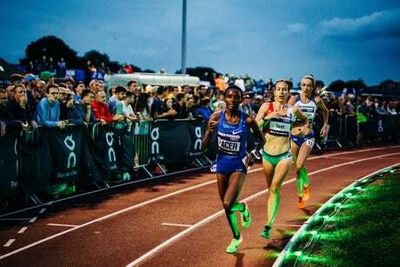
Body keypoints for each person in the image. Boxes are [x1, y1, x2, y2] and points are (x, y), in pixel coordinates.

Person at [202, 85, 265, 254]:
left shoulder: (248, 120)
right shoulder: (216, 117)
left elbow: (262, 141)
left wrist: (254, 154)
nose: (232, 100)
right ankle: (237, 237)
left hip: (239, 164)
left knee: (227, 202)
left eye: (236, 97)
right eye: (229, 96)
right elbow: (203, 147)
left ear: (241, 99)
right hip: (222, 163)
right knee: (227, 207)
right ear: (224, 98)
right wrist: (209, 132)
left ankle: (242, 209)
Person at [255, 79, 308, 239]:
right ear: (274, 91)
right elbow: (256, 125)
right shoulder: (266, 107)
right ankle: (271, 218)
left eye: (284, 89)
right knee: (270, 189)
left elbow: (305, 119)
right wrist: (269, 117)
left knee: (274, 188)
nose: (281, 92)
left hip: (285, 155)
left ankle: (268, 225)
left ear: (288, 92)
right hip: (267, 155)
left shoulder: (293, 110)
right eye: (278, 89)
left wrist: (303, 129)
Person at [288, 75, 329, 209]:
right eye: (304, 85)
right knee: (297, 168)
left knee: (300, 165)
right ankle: (302, 192)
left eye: (309, 85)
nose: (306, 87)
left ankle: (304, 189)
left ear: (312, 87)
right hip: (294, 137)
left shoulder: (316, 100)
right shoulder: (294, 99)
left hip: (308, 137)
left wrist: (324, 125)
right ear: (300, 86)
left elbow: (325, 111)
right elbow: (286, 112)